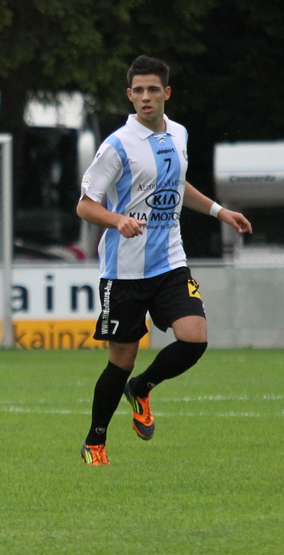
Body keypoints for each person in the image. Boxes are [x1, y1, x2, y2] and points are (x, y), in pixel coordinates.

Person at [77, 55, 252, 466]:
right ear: (129, 95)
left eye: (153, 89)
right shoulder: (117, 145)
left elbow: (177, 184)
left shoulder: (179, 134)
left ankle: (142, 388)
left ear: (166, 93)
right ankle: (95, 442)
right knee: (121, 361)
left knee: (195, 338)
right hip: (123, 272)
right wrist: (117, 219)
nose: (146, 97)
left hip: (170, 262)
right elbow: (85, 205)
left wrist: (219, 211)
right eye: (138, 90)